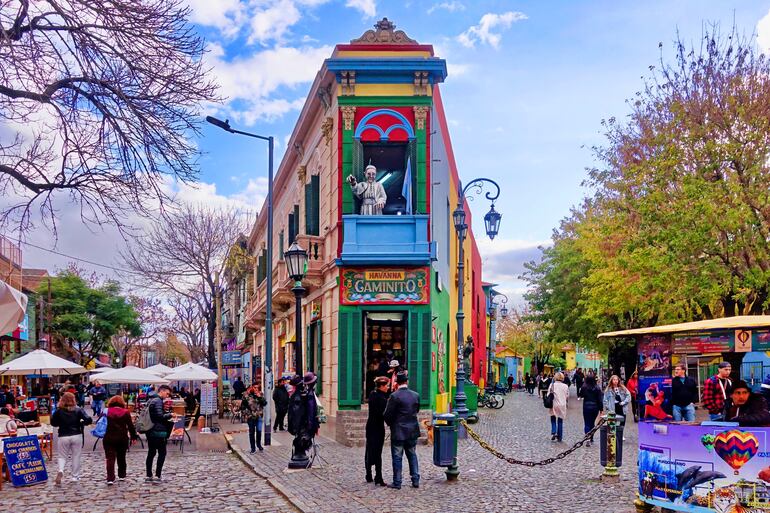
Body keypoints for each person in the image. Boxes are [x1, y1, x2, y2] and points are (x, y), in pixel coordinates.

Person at [383, 372, 420, 490]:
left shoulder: (394, 396)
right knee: (412, 455)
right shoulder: (415, 395)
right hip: (412, 429)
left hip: (398, 430)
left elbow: (387, 414)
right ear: (406, 381)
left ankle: (397, 482)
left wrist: (391, 424)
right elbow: (416, 410)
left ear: (396, 382)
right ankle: (415, 480)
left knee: (397, 457)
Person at [50, 392, 92, 485]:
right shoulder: (78, 410)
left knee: (62, 456)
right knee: (76, 456)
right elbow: (88, 419)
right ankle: (75, 476)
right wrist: (82, 421)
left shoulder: (58, 411)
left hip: (63, 435)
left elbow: (53, 423)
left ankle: (61, 470)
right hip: (76, 434)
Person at [103, 395, 139, 485]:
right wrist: (133, 437)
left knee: (110, 458)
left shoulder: (106, 411)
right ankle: (122, 475)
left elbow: (101, 423)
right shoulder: (125, 412)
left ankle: (110, 478)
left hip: (109, 437)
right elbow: (130, 425)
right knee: (121, 457)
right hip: (122, 437)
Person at [145, 384, 173, 483]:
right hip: (158, 430)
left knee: (151, 453)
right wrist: (170, 415)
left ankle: (149, 474)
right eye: (167, 393)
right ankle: (157, 474)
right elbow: (159, 416)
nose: (167, 396)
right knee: (162, 453)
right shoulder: (158, 401)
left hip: (150, 430)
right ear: (162, 391)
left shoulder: (150, 399)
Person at [365, 376, 389, 486]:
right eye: (387, 386)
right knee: (378, 452)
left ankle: (368, 474)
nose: (388, 388)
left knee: (369, 450)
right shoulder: (382, 399)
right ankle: (378, 476)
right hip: (378, 428)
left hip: (370, 426)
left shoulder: (372, 394)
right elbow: (383, 414)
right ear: (382, 386)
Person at [241, 384, 267, 453]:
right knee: (251, 432)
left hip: (259, 416)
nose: (256, 389)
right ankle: (253, 448)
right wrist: (246, 414)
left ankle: (258, 444)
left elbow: (264, 403)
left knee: (259, 431)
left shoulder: (260, 394)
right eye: (255, 387)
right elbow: (243, 406)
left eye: (257, 388)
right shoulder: (246, 395)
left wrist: (260, 397)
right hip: (251, 416)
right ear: (252, 387)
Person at [604, 375, 631, 439]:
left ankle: (621, 434)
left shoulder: (622, 388)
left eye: (616, 380)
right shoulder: (608, 389)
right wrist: (608, 407)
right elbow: (605, 400)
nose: (615, 381)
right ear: (611, 380)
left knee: (622, 421)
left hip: (621, 407)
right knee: (613, 421)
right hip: (613, 407)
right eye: (614, 380)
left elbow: (628, 395)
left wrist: (624, 402)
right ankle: (613, 433)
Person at [580, 375, 603, 447]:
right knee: (592, 422)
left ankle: (587, 438)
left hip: (586, 406)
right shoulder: (597, 388)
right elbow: (600, 400)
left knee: (587, 423)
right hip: (595, 407)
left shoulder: (584, 387)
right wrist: (601, 409)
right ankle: (591, 437)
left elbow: (581, 395)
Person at [547, 372, 569, 442]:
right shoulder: (565, 386)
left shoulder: (552, 385)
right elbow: (567, 396)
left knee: (553, 417)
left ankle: (554, 431)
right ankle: (560, 437)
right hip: (562, 404)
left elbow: (548, 394)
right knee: (560, 420)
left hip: (554, 403)